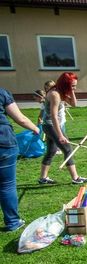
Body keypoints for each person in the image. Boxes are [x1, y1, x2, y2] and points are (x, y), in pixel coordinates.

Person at [39, 72, 87, 185]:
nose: (75, 88)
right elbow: (53, 116)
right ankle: (75, 178)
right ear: (65, 84)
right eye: (72, 86)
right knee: (67, 149)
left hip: (49, 126)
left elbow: (74, 104)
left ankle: (43, 178)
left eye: (75, 85)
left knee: (51, 151)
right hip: (50, 125)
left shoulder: (60, 92)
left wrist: (71, 90)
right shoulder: (55, 94)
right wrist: (60, 135)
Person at [0, 88, 40, 231]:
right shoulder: (1, 92)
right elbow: (20, 118)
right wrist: (35, 128)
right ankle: (12, 221)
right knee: (6, 185)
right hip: (3, 144)